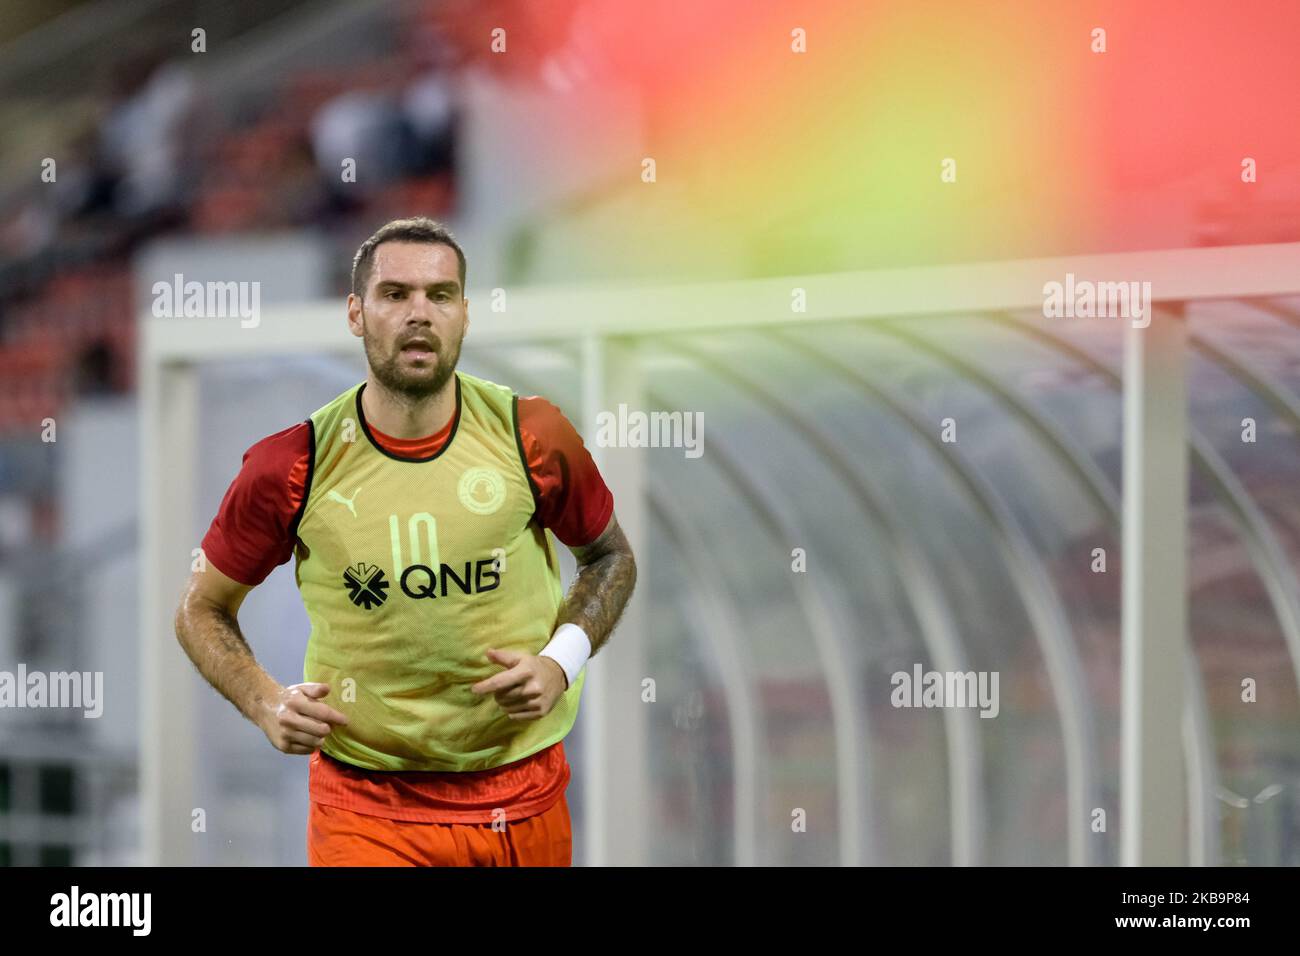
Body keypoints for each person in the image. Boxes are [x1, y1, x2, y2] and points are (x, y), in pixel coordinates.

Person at [174, 217, 637, 866]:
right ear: (356, 314)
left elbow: (610, 557)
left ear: (465, 315)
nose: (420, 313)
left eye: (440, 295)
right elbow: (200, 605)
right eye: (395, 295)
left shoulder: (532, 434)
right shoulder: (290, 465)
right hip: (368, 803)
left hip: (522, 794)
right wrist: (263, 699)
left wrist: (560, 661)